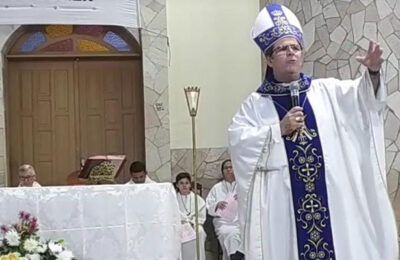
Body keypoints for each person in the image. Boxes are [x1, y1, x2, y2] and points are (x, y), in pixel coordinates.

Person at [228, 4, 399, 260]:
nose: (291, 53)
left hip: (331, 207)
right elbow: (239, 143)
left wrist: (373, 72)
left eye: (295, 47)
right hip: (283, 211)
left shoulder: (327, 92)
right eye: (283, 48)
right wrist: (278, 131)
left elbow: (365, 102)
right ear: (269, 58)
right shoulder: (255, 105)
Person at [206, 159, 243, 260]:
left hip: (239, 222)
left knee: (239, 234)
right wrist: (217, 205)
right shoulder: (216, 188)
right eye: (226, 168)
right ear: (222, 171)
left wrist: (242, 199)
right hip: (223, 223)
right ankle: (234, 256)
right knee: (230, 235)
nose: (229, 170)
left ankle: (234, 256)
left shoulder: (242, 187)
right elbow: (208, 206)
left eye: (231, 167)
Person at [175, 172, 206, 260]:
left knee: (200, 231)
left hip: (194, 224)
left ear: (190, 185)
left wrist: (193, 222)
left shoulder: (197, 199)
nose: (184, 186)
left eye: (186, 183)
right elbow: (172, 215)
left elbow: (201, 215)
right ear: (177, 185)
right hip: (179, 225)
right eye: (181, 183)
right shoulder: (173, 199)